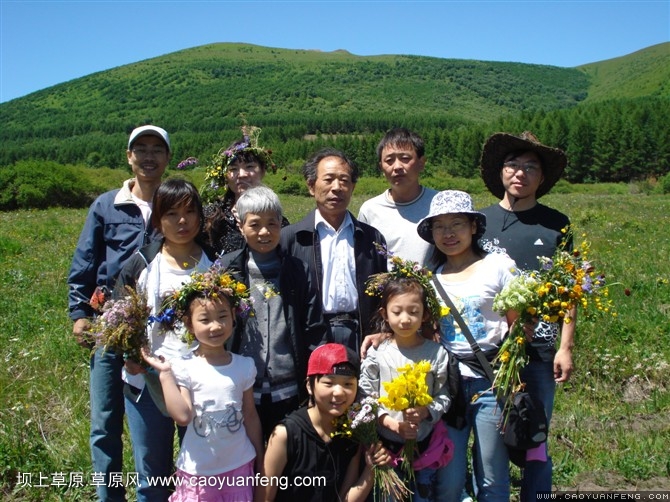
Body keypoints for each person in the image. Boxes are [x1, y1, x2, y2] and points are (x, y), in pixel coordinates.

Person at [67, 124, 171, 502]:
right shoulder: (106, 205)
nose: (148, 156)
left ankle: (156, 494)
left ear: (167, 158)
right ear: (128, 156)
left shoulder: (173, 203)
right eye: (140, 149)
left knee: (151, 424)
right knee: (105, 422)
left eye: (156, 149)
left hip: (158, 333)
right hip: (109, 326)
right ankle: (108, 496)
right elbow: (85, 261)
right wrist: (80, 312)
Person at [478, 131, 573, 501]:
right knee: (489, 440)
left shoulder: (555, 224)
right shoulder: (479, 222)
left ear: (542, 177)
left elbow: (570, 290)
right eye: (513, 165)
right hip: (487, 352)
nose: (521, 173)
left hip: (539, 351)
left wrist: (565, 346)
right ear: (501, 172)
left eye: (531, 167)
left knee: (536, 437)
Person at [113, 178, 217, 501]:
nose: (182, 221)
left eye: (189, 211)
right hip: (147, 381)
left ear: (201, 216)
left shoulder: (215, 264)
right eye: (171, 214)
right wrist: (129, 354)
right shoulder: (142, 263)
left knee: (201, 471)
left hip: (200, 383)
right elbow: (118, 314)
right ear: (157, 219)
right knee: (151, 475)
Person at [416, 189, 517, 502]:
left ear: (473, 227)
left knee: (491, 477)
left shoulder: (498, 266)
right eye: (440, 227)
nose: (448, 234)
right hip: (451, 389)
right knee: (448, 478)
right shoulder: (431, 278)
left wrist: (511, 373)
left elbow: (518, 325)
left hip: (492, 385)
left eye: (457, 224)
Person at [141, 264, 264, 502]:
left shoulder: (244, 366)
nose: (215, 326)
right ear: (189, 325)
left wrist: (260, 458)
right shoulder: (184, 367)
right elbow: (183, 416)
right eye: (204, 320)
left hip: (239, 466)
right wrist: (166, 374)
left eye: (222, 317)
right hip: (199, 472)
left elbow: (250, 415)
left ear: (233, 317)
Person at [218, 185, 329, 440]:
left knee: (286, 459)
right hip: (241, 386)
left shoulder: (298, 270)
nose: (264, 232)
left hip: (288, 386)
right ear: (241, 226)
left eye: (272, 223)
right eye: (255, 224)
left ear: (281, 223)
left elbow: (313, 327)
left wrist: (314, 379)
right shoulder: (226, 271)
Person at [280, 148, 387, 353]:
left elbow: (384, 293)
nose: (337, 187)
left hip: (362, 337)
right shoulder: (291, 238)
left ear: (353, 187)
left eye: (344, 180)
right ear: (311, 186)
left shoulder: (371, 238)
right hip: (311, 337)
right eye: (328, 179)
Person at [359, 265, 452, 502]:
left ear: (425, 315)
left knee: (423, 496)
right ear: (384, 314)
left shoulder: (436, 353)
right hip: (386, 445)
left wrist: (425, 411)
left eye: (413, 312)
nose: (405, 319)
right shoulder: (378, 352)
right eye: (397, 312)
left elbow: (443, 395)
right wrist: (390, 423)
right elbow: (366, 397)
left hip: (425, 444)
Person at [262, 343, 390, 502]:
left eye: (348, 384)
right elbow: (264, 497)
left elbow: (345, 499)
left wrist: (371, 470)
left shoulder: (352, 434)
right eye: (329, 383)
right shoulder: (285, 434)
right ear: (310, 385)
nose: (339, 392)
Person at [201, 125, 288, 255]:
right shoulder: (211, 216)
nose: (241, 174)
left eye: (249, 166)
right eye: (233, 169)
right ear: (225, 175)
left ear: (263, 171)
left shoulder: (277, 219)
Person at [358, 127, 438, 268]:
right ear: (381, 167)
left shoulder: (439, 203)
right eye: (389, 160)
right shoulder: (370, 210)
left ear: (421, 163)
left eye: (405, 158)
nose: (397, 167)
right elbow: (364, 260)